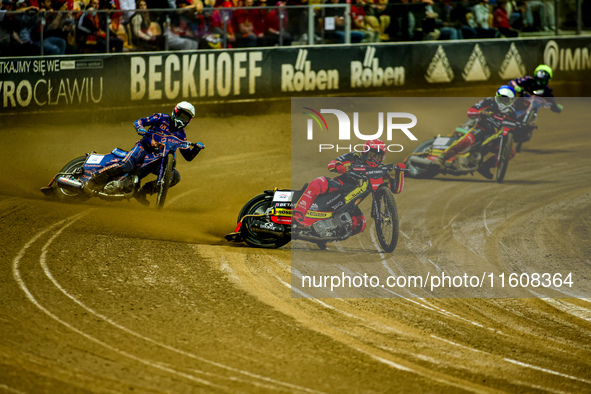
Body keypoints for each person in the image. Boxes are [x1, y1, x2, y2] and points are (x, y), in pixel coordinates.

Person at [85, 101, 205, 206]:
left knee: (175, 177)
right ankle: (94, 179)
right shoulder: (161, 117)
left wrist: (196, 149)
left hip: (158, 159)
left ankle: (143, 192)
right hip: (144, 147)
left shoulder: (181, 134)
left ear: (189, 120)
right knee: (126, 165)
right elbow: (140, 121)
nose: (182, 119)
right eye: (181, 115)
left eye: (186, 118)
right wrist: (140, 129)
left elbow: (188, 156)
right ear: (175, 112)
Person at [292, 139, 386, 233]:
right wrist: (340, 167)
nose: (374, 159)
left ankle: (326, 237)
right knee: (317, 183)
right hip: (340, 186)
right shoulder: (354, 156)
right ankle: (297, 216)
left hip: (350, 204)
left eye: (377, 157)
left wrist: (401, 172)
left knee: (360, 224)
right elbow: (332, 164)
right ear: (365, 152)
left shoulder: (380, 171)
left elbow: (396, 189)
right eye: (371, 155)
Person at [433, 85, 518, 179]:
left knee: (511, 152)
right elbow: (470, 112)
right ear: (496, 96)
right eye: (501, 99)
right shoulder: (489, 101)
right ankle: (441, 158)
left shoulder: (512, 112)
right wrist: (481, 113)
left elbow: (512, 128)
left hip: (495, 137)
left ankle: (485, 167)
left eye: (506, 100)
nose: (502, 102)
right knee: (466, 141)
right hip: (481, 128)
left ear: (511, 100)